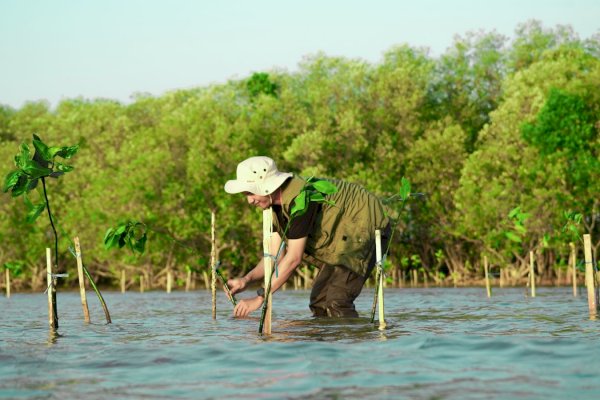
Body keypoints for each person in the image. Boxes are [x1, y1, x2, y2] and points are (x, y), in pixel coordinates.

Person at [224, 156, 391, 318]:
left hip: (365, 225)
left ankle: (356, 342)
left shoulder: (300, 200)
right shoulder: (273, 208)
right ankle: (327, 345)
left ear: (266, 186)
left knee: (336, 301)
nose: (249, 201)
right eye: (245, 195)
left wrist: (260, 298)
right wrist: (246, 280)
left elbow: (293, 258)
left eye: (251, 193)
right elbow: (274, 257)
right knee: (319, 303)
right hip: (340, 238)